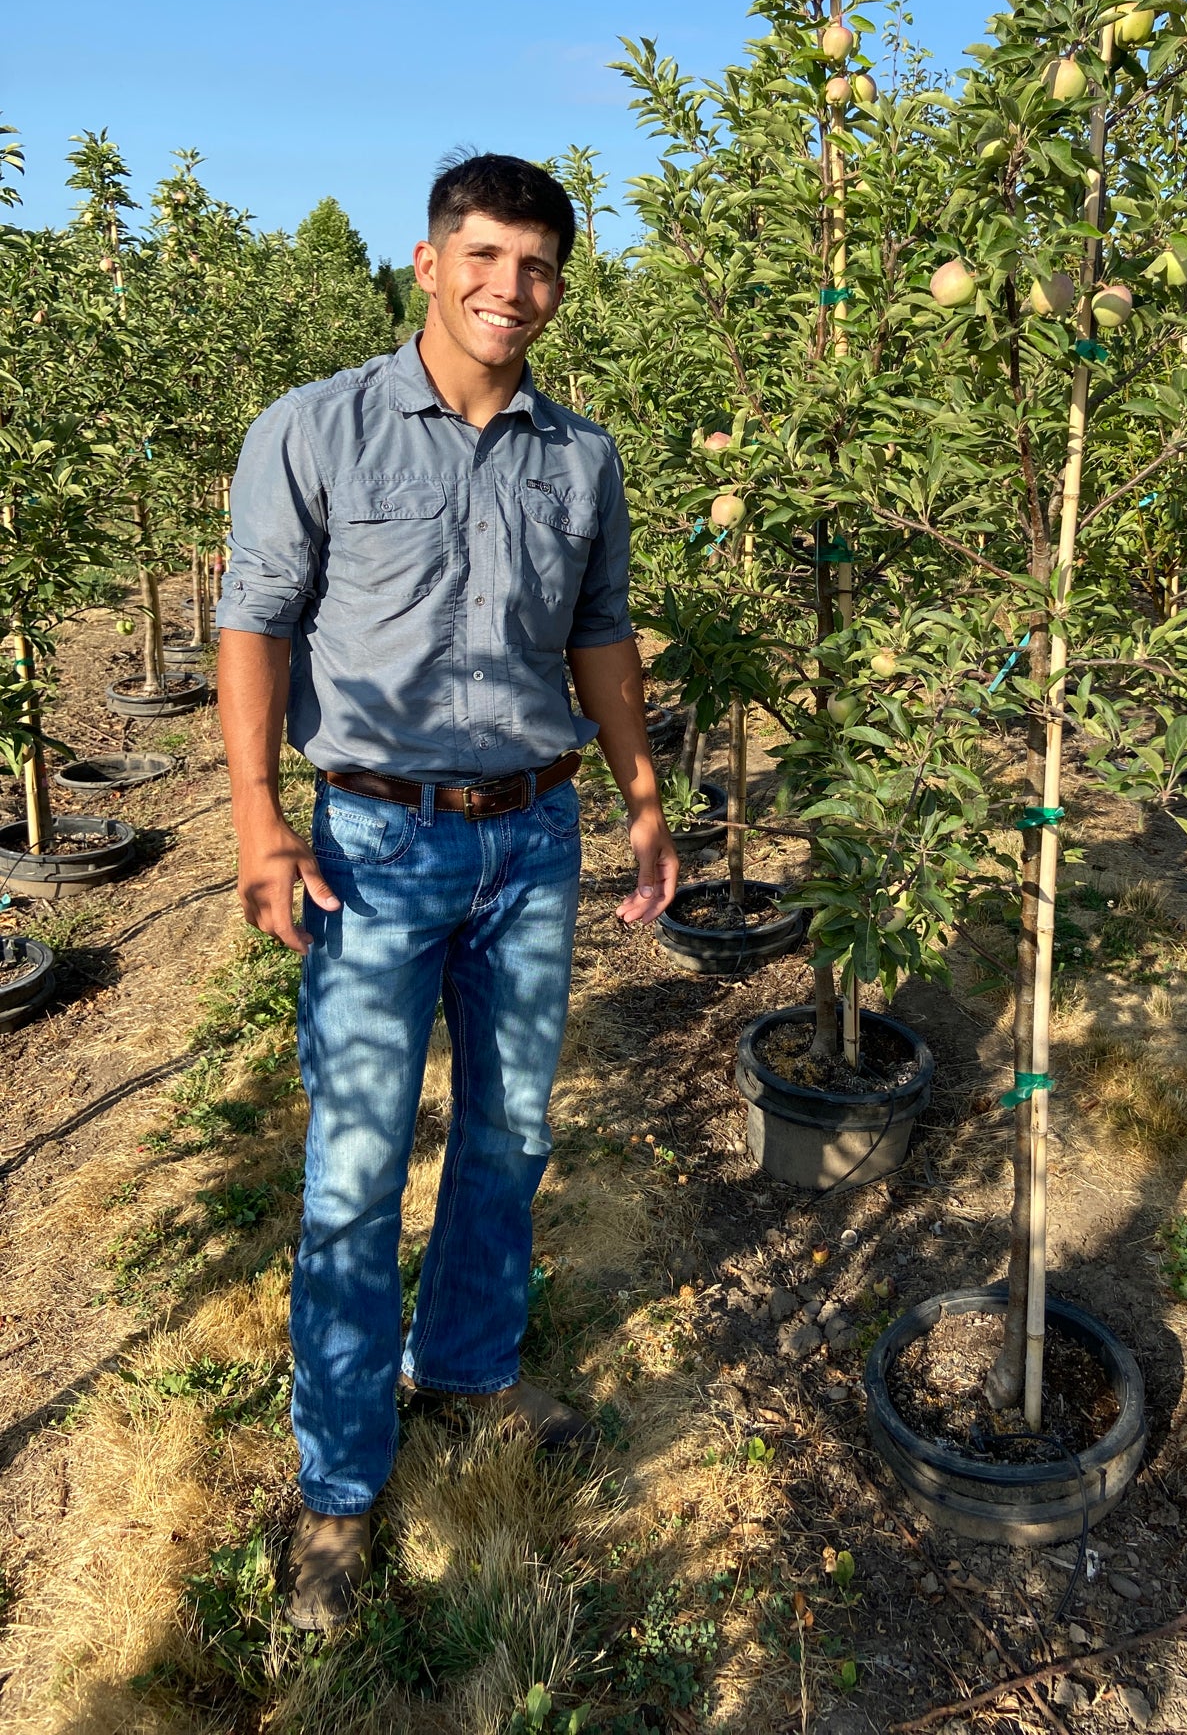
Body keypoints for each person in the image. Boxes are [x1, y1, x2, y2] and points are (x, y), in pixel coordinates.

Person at [215, 151, 678, 1631]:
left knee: (511, 1131)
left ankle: (469, 1367)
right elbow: (254, 624)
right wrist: (258, 821)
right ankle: (342, 1483)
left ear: (560, 287)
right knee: (355, 1165)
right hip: (371, 845)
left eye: (537, 267)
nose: (509, 288)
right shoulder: (318, 430)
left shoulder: (580, 458)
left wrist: (642, 798)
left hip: (531, 841)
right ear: (428, 263)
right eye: (483, 257)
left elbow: (600, 633)